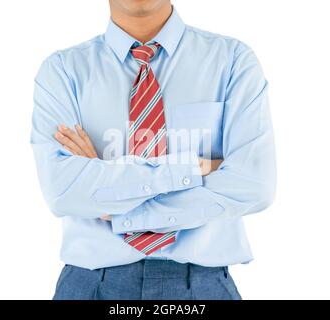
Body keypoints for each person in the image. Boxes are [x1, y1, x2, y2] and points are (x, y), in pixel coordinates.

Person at [31, 0, 276, 300]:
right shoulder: (62, 72)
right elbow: (64, 191)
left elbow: (253, 185)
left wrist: (110, 194)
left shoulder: (232, 61)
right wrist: (192, 168)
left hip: (202, 285)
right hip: (91, 284)